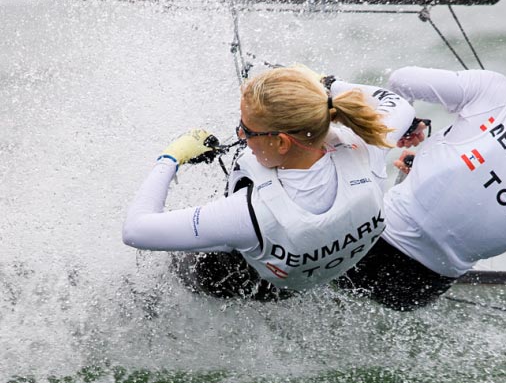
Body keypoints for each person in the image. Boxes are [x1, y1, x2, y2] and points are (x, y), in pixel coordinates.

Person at [335, 28, 506, 310]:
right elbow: (479, 220)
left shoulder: (497, 90)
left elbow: (401, 81)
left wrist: (403, 123)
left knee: (337, 119)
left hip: (361, 252)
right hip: (417, 292)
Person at [122, 66, 416, 300]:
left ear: (281, 142)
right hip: (315, 271)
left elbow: (136, 230)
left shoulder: (246, 215)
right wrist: (327, 84)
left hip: (238, 283)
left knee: (177, 262)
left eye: (247, 130)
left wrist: (170, 159)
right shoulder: (370, 147)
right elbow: (396, 103)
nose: (239, 135)